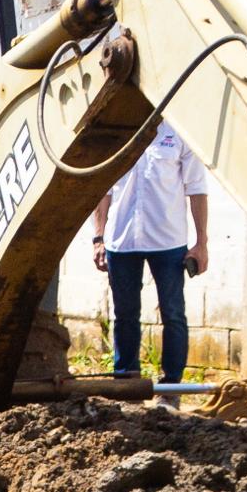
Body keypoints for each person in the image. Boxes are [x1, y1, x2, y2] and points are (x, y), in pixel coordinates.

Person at [92, 125, 209, 383]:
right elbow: (103, 189)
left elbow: (197, 189)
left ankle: (171, 387)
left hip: (168, 241)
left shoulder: (179, 131)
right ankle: (126, 383)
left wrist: (201, 243)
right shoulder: (118, 132)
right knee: (124, 315)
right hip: (122, 241)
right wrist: (98, 238)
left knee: (173, 314)